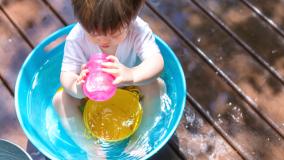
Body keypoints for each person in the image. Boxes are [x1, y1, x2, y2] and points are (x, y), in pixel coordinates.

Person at [52, 0, 165, 159]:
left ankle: (141, 137)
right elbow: (66, 75)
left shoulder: (138, 29)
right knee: (60, 100)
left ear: (131, 17)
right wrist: (78, 87)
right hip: (92, 93)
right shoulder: (76, 38)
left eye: (114, 33)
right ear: (82, 22)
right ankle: (92, 148)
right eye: (93, 33)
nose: (103, 40)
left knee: (154, 85)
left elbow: (157, 62)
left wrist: (131, 75)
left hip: (128, 88)